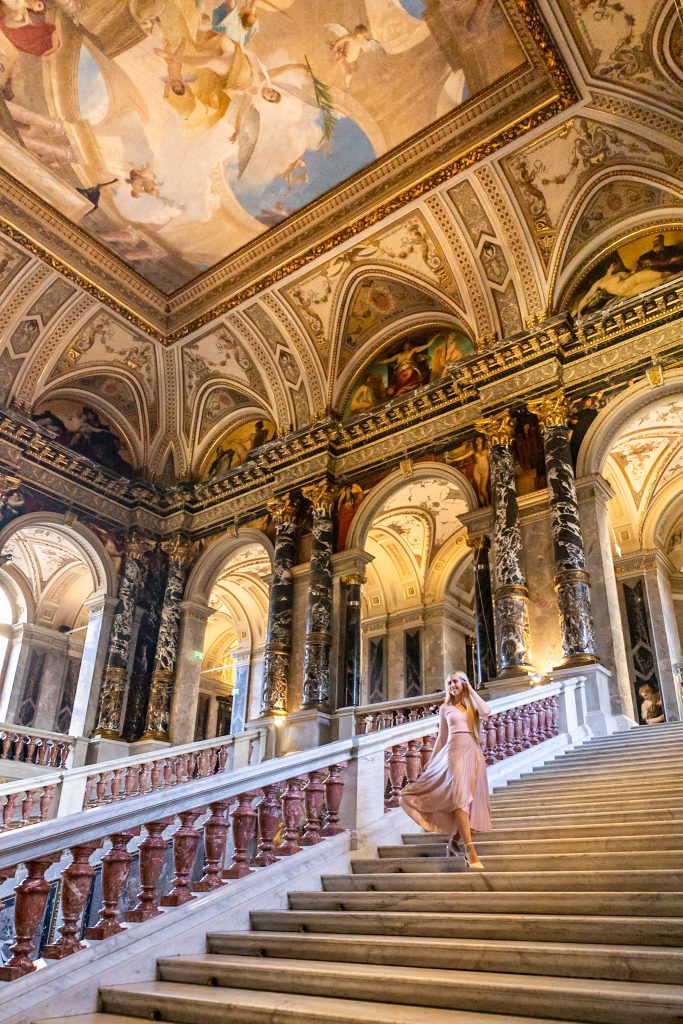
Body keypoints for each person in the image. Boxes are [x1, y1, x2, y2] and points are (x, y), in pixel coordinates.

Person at [399, 671, 491, 869]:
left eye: (455, 681)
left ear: (464, 683)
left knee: (471, 801)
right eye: (449, 683)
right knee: (460, 798)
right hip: (453, 753)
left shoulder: (471, 704)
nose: (452, 685)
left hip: (473, 753)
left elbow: (486, 711)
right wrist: (431, 762)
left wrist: (470, 689)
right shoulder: (445, 708)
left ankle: (454, 843)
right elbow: (442, 737)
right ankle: (470, 851)